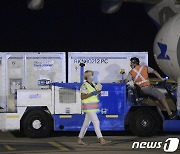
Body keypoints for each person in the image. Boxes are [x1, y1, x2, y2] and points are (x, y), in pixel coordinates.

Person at [77, 70, 111, 145]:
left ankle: (79, 139)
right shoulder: (84, 85)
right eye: (91, 75)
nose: (92, 76)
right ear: (87, 76)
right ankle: (101, 139)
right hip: (88, 107)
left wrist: (98, 91)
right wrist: (92, 93)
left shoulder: (92, 84)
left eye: (92, 74)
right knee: (96, 122)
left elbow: (96, 93)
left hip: (92, 107)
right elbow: (82, 97)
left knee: (86, 124)